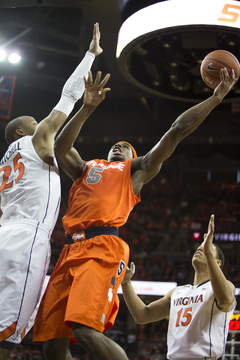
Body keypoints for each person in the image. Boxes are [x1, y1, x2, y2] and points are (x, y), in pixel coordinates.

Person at [33, 68, 237, 360]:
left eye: (126, 147)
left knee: (83, 330)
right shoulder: (86, 167)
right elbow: (60, 147)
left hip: (102, 246)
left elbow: (176, 130)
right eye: (116, 145)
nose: (119, 146)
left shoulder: (134, 172)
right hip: (69, 249)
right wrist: (86, 108)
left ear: (134, 158)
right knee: (52, 346)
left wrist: (215, 99)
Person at [0, 23, 103, 359]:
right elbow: (68, 96)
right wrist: (90, 55)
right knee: (6, 335)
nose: (38, 122)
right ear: (20, 130)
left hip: (6, 234)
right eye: (31, 121)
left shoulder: (3, 164)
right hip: (27, 238)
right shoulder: (35, 140)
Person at [122, 214, 236, 360]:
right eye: (201, 246)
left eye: (207, 247)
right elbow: (143, 315)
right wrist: (126, 283)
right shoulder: (177, 292)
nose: (201, 247)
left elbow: (226, 300)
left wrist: (207, 252)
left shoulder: (225, 287)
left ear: (218, 263)